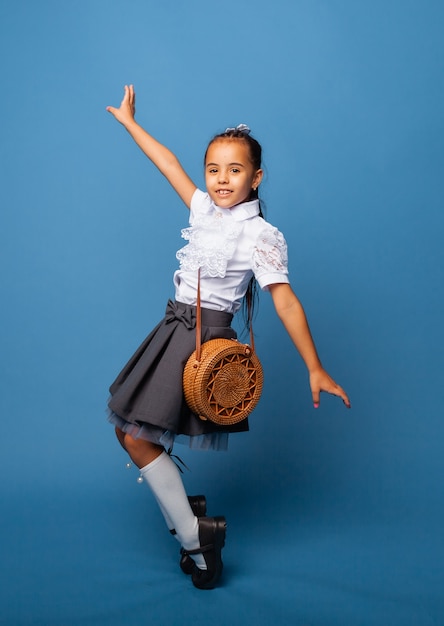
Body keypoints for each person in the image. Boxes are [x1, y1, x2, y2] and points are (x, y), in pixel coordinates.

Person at [105, 85, 350, 590]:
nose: (221, 180)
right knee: (127, 430)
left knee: (134, 434)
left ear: (256, 177)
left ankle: (196, 538)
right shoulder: (202, 211)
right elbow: (170, 164)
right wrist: (131, 124)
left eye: (234, 170)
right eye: (214, 169)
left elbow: (283, 299)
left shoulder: (260, 235)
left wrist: (315, 366)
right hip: (172, 325)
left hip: (203, 337)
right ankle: (192, 527)